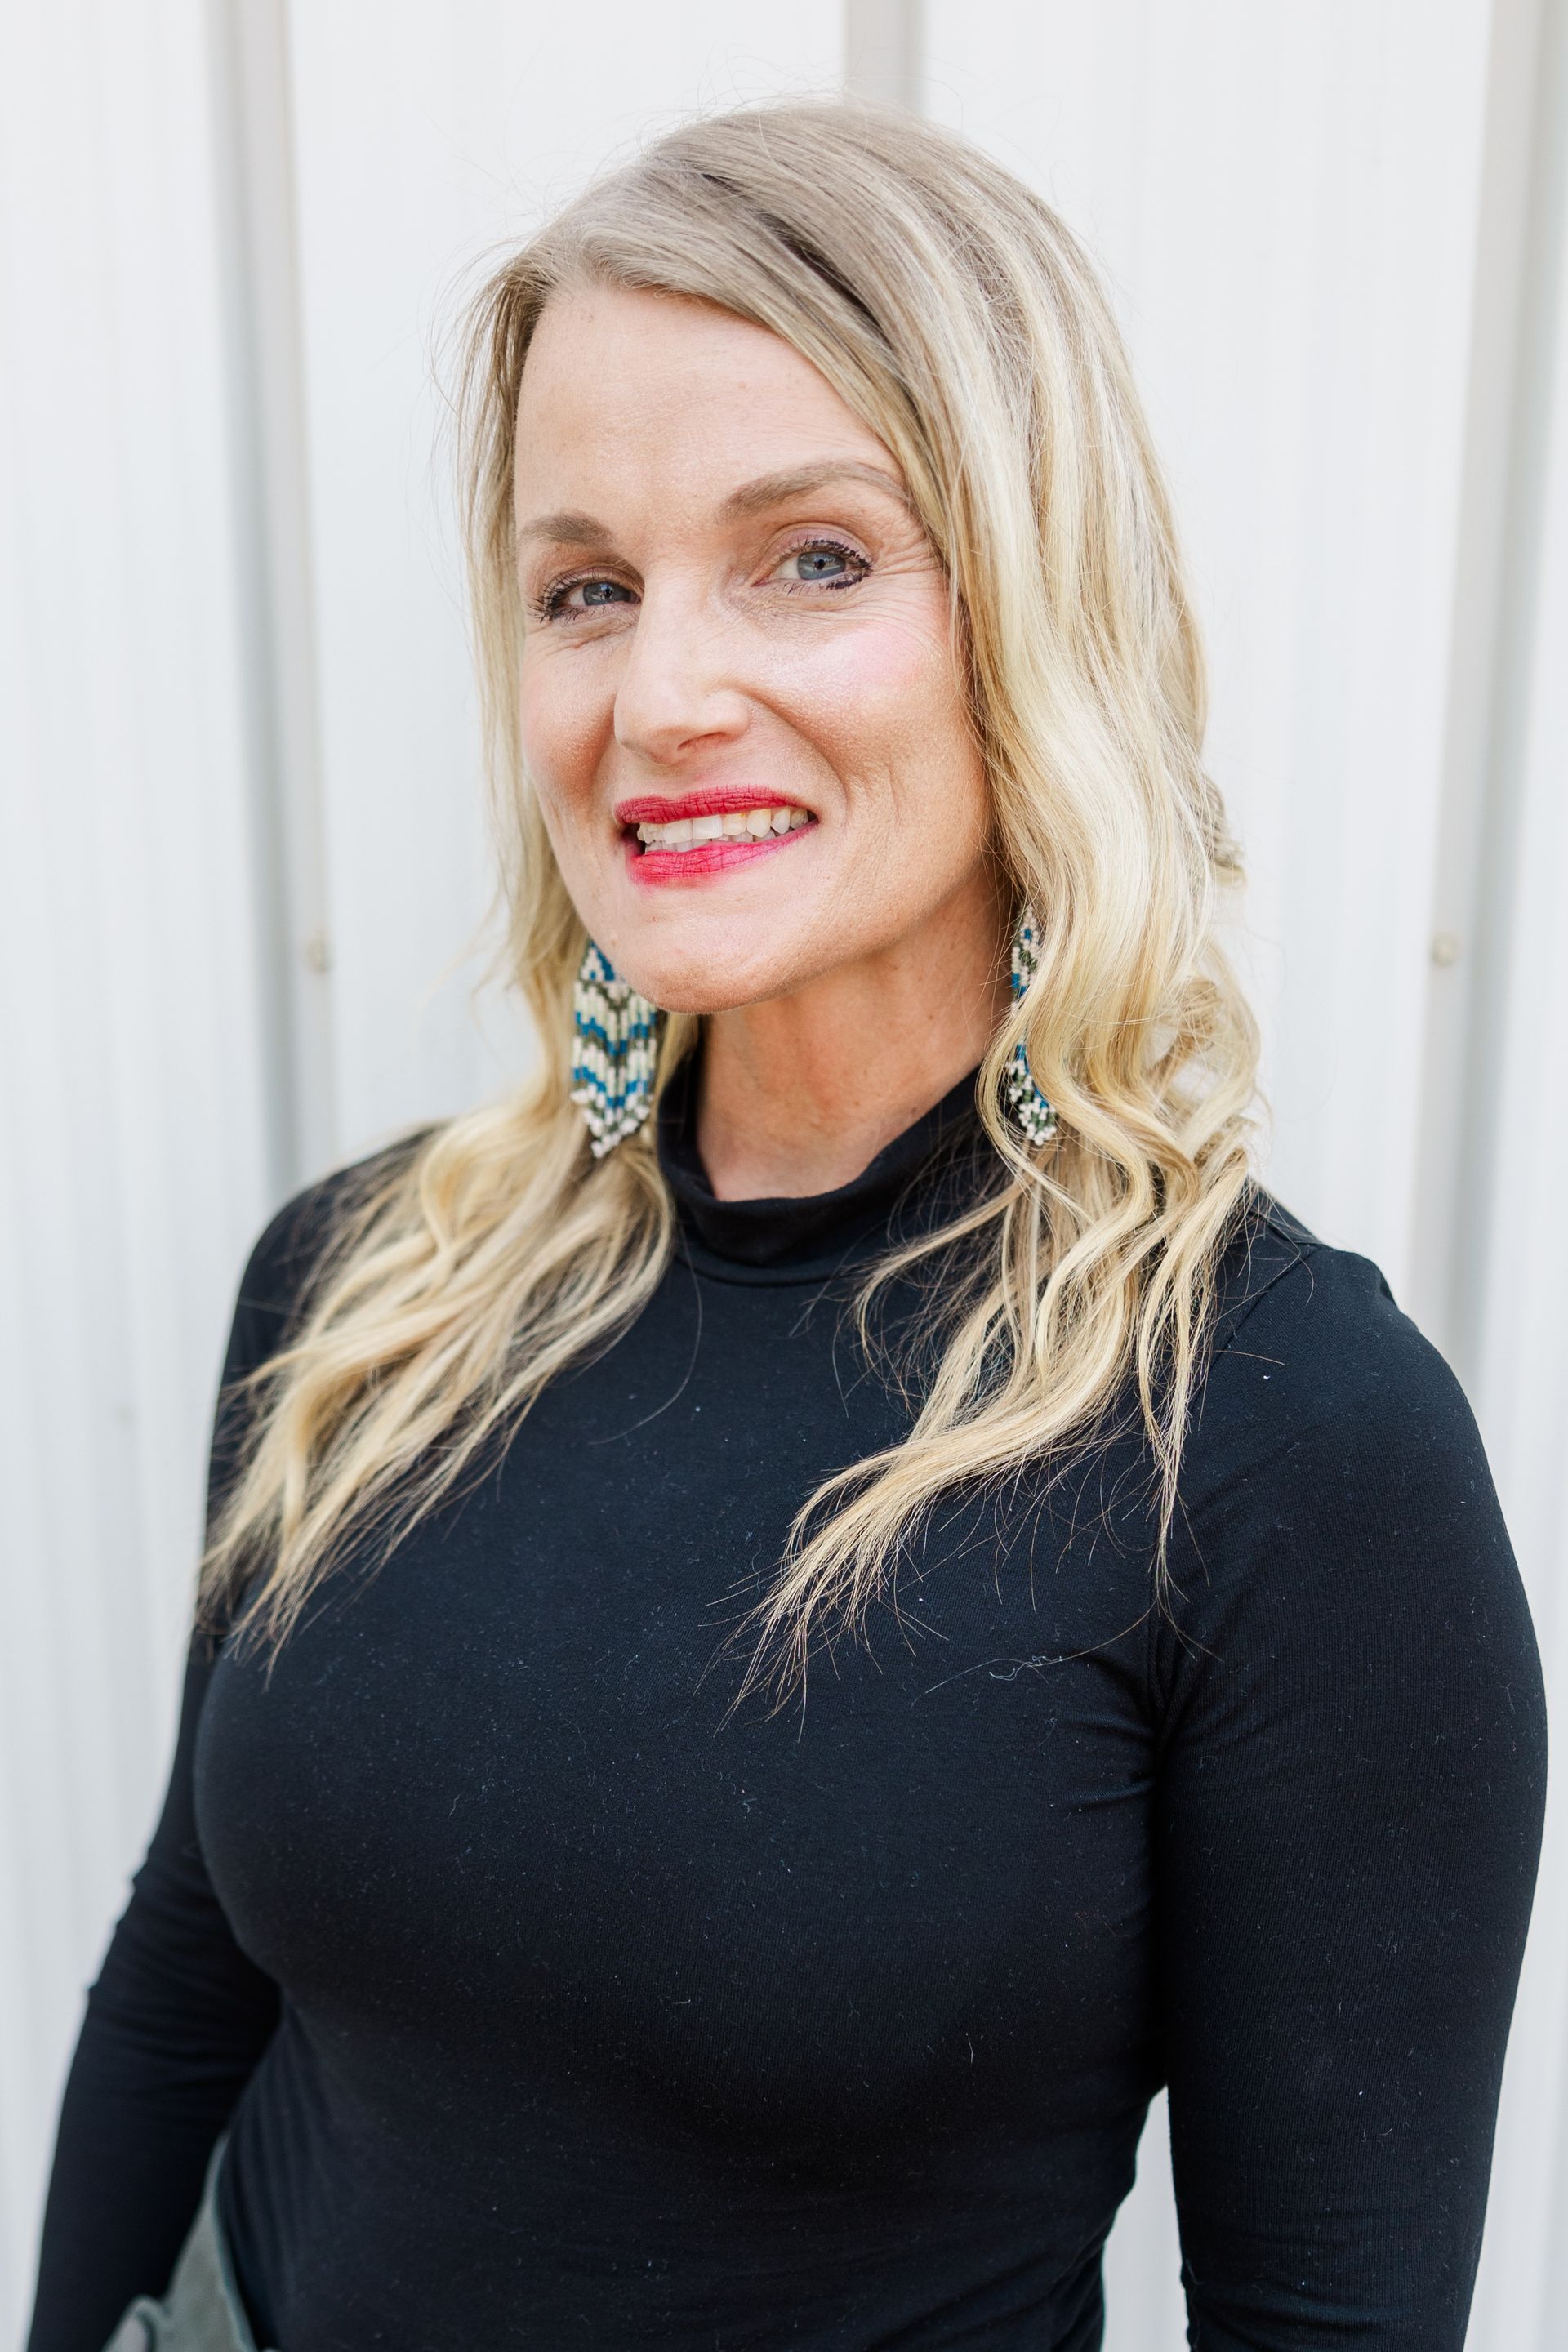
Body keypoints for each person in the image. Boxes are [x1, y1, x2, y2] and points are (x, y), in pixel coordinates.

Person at [28, 100, 1546, 2352]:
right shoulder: (366, 1287)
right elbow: (190, 1979)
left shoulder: (1276, 1443)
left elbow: (1324, 2316)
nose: (657, 699)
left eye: (812, 558)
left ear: (1029, 615)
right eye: (586, 589)